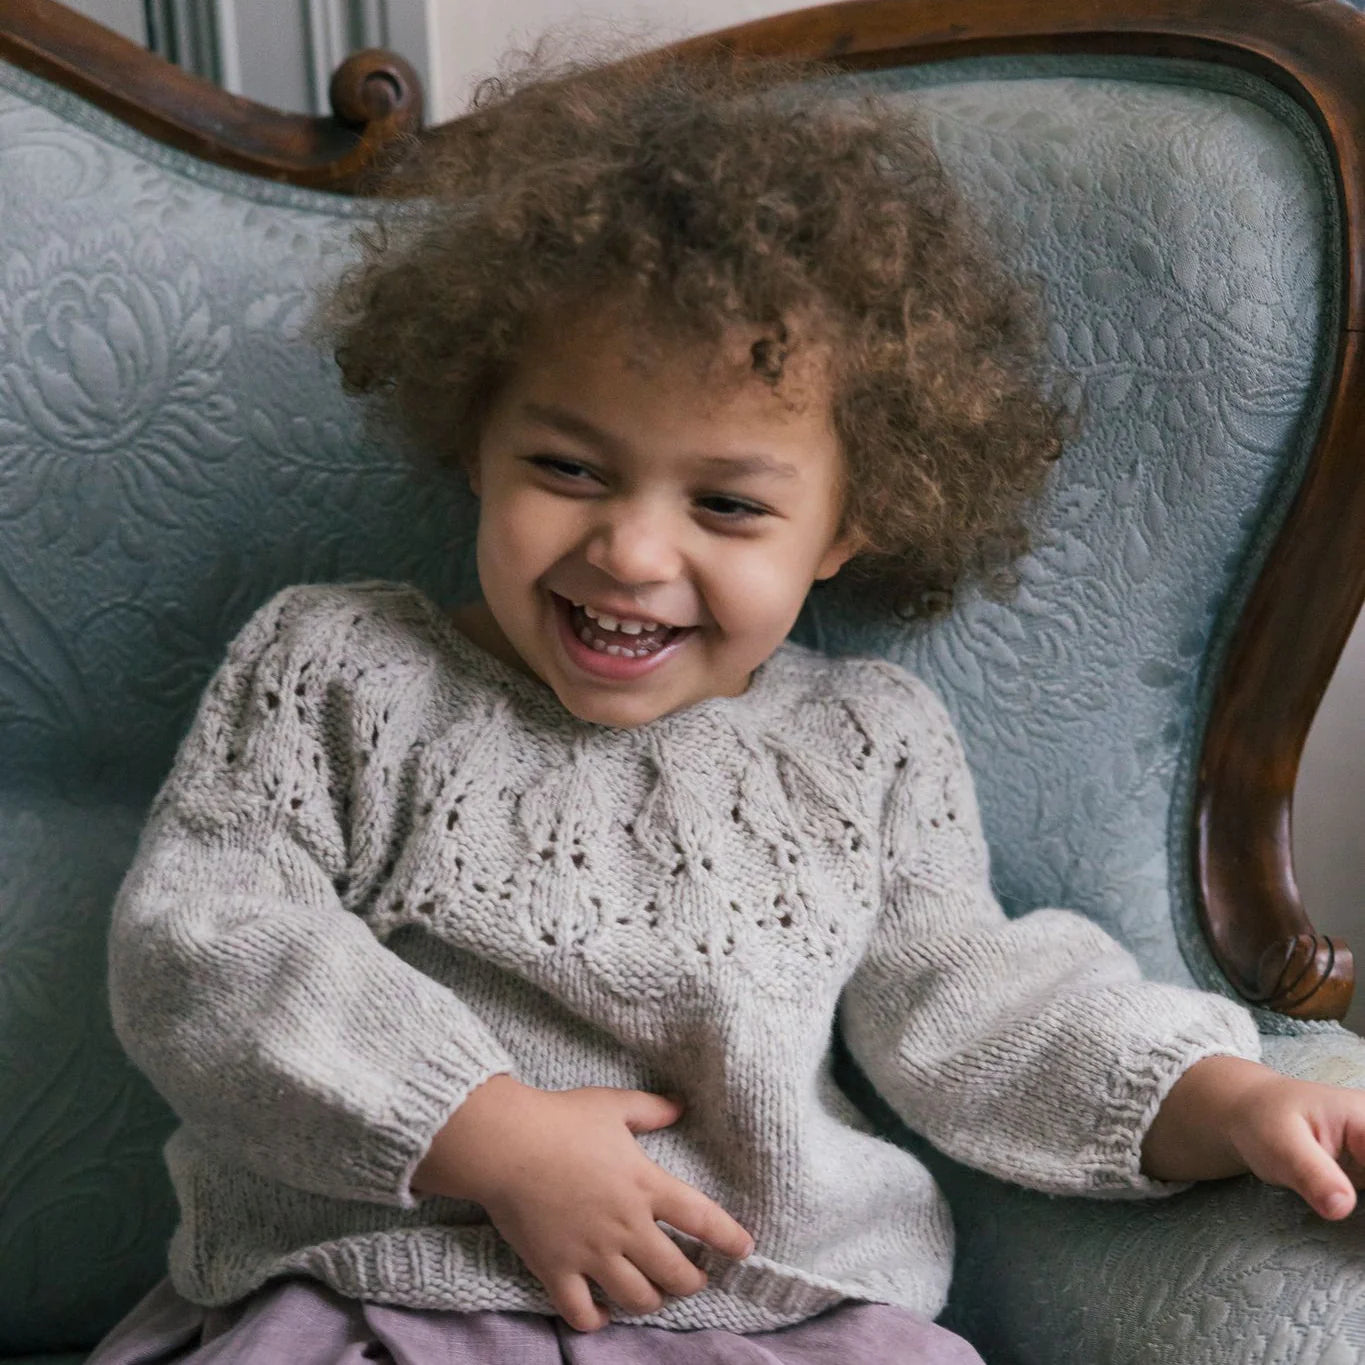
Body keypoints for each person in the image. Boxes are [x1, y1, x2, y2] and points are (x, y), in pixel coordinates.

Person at [90, 43, 1365, 1365]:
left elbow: (975, 1002)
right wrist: (482, 1127)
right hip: (390, 1289)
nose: (632, 553)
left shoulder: (863, 744)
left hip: (769, 1314)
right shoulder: (340, 669)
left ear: (847, 526)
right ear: (476, 433)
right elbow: (208, 940)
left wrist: (1222, 1098)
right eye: (569, 468)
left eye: (729, 504)